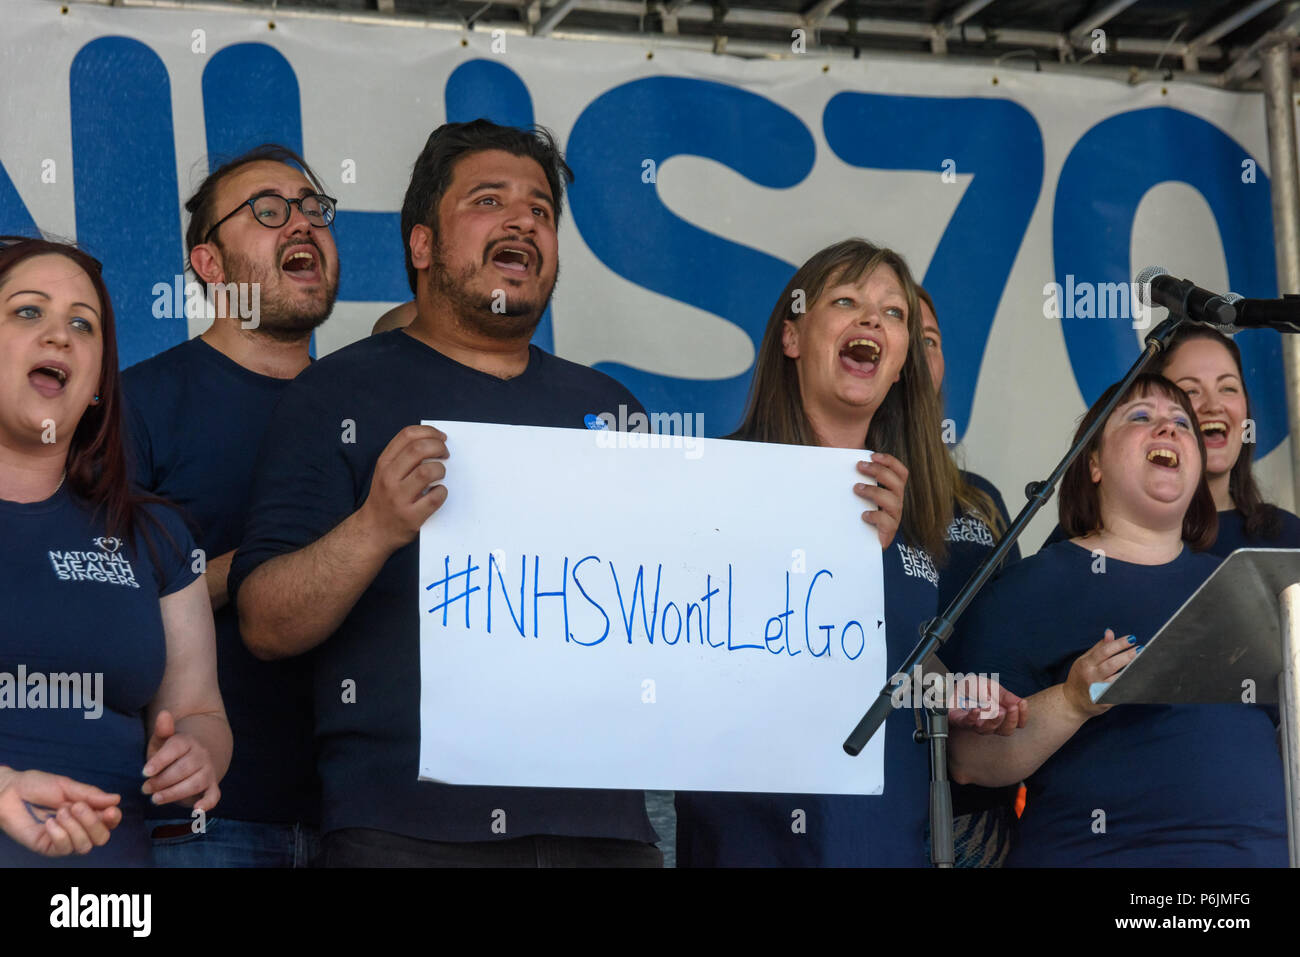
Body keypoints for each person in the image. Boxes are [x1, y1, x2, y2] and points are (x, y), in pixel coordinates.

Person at [228, 120, 660, 867]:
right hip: (407, 828)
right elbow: (265, 621)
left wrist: (837, 537)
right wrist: (374, 527)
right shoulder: (336, 391)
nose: (524, 219)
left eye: (542, 211)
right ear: (422, 246)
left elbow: (685, 604)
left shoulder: (612, 408)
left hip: (605, 827)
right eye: (489, 200)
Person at [674, 238, 1025, 867]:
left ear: (898, 367)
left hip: (881, 836)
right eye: (846, 300)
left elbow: (894, 660)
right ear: (791, 339)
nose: (873, 320)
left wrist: (955, 691)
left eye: (893, 314)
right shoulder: (715, 479)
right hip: (749, 838)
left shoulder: (913, 509)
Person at [948, 373, 1287, 866]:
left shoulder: (1244, 584)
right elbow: (967, 761)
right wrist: (1071, 702)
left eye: (1181, 424)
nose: (1168, 430)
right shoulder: (1032, 586)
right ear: (1093, 463)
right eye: (1141, 417)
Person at [121, 144, 338, 867]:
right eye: (269, 211)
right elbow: (101, 605)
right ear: (210, 266)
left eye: (314, 209)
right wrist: (271, 573)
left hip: (363, 821)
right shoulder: (140, 403)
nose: (302, 225)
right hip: (203, 820)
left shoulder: (370, 404)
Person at [0, 237, 231, 866]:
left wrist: (196, 752)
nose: (59, 335)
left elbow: (199, 710)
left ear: (100, 382)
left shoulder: (153, 532)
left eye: (83, 323)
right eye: (27, 312)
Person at [918, 285, 1020, 867]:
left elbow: (1021, 635)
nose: (918, 352)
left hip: (975, 810)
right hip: (862, 792)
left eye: (931, 341)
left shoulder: (981, 501)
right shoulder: (830, 480)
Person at [1156, 325, 1300, 552]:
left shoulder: (1288, 536)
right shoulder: (1131, 545)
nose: (1213, 406)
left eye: (1228, 388)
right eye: (1191, 391)